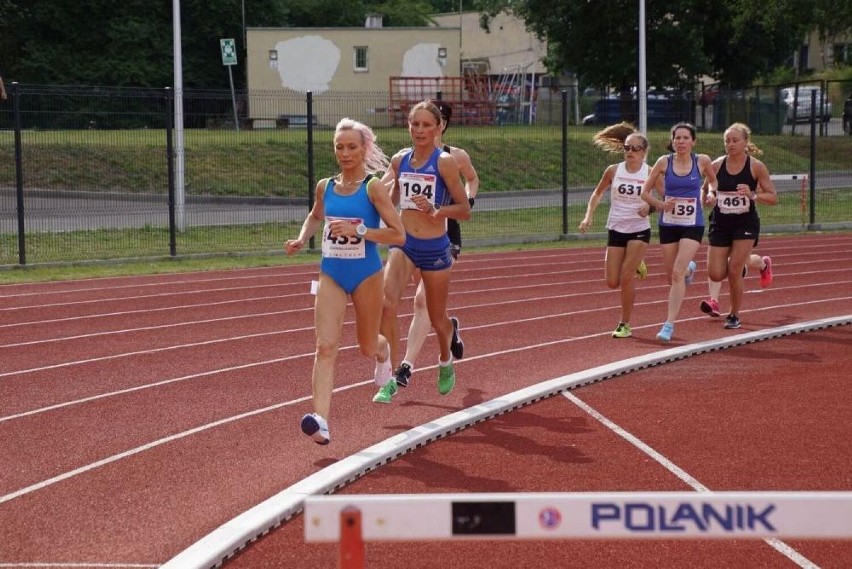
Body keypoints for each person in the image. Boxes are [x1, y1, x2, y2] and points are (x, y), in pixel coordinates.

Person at [285, 118, 405, 444]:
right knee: (325, 346)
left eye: (352, 146)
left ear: (364, 148)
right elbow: (315, 214)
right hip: (331, 273)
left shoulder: (373, 186)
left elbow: (398, 233)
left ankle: (385, 356)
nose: (345, 153)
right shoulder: (325, 186)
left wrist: (360, 231)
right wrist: (301, 238)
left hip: (366, 273)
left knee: (368, 346)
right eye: (340, 146)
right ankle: (320, 420)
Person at [373, 100, 471, 403]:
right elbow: (389, 201)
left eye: (426, 125)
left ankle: (444, 361)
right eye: (415, 124)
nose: (420, 130)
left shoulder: (445, 162)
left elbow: (464, 210)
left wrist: (437, 209)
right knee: (386, 304)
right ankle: (388, 373)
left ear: (438, 127)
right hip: (404, 243)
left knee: (438, 318)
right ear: (408, 126)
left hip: (435, 247)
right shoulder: (399, 160)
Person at [641, 122, 718, 343]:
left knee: (676, 273)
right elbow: (645, 193)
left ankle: (668, 325)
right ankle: (688, 270)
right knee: (672, 275)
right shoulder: (663, 162)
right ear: (672, 141)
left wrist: (712, 193)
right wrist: (661, 204)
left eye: (686, 138)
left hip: (692, 223)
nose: (681, 142)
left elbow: (712, 180)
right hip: (669, 223)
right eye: (677, 138)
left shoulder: (701, 161)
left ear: (693, 141)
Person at [698, 122, 778, 328]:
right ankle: (761, 263)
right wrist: (708, 198)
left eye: (735, 140)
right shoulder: (716, 165)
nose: (730, 144)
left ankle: (733, 315)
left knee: (734, 270)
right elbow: (705, 189)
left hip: (745, 223)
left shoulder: (756, 166)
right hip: (721, 222)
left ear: (745, 142)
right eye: (727, 140)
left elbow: (772, 197)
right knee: (715, 273)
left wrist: (753, 194)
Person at [579, 122, 654, 339]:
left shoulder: (650, 173)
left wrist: (649, 206)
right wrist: (588, 215)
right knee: (612, 282)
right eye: (627, 148)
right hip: (616, 227)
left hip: (639, 229)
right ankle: (636, 261)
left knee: (626, 277)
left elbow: (665, 198)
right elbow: (597, 193)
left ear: (644, 152)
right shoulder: (613, 171)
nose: (630, 152)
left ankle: (625, 323)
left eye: (635, 149)